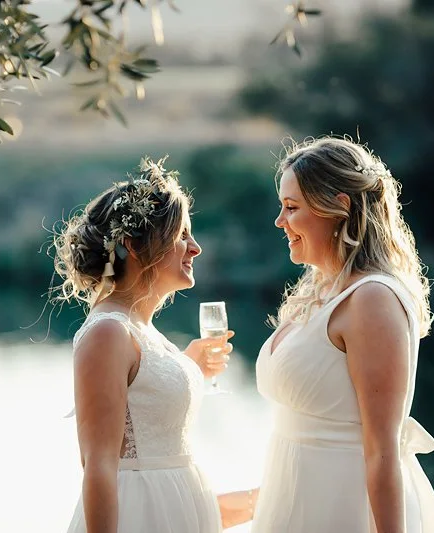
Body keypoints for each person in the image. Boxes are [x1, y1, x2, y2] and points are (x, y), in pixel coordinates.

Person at [251, 137, 434, 533]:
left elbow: (382, 449)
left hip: (347, 506)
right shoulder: (320, 289)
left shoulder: (372, 298)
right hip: (295, 500)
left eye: (292, 208)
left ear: (339, 206)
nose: (279, 221)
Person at [53, 157, 255, 533]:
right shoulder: (107, 332)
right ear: (133, 244)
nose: (195, 248)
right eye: (181, 236)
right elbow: (98, 466)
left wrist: (191, 366)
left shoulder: (144, 332)